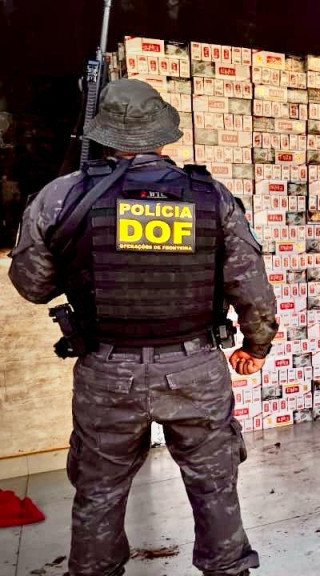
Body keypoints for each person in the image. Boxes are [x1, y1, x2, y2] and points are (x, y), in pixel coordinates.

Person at [9, 79, 277, 576]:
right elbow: (252, 288)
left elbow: (32, 285)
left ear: (105, 135)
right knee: (214, 484)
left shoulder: (61, 196)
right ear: (163, 133)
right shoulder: (212, 197)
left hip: (107, 372)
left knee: (99, 489)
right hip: (195, 368)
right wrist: (257, 347)